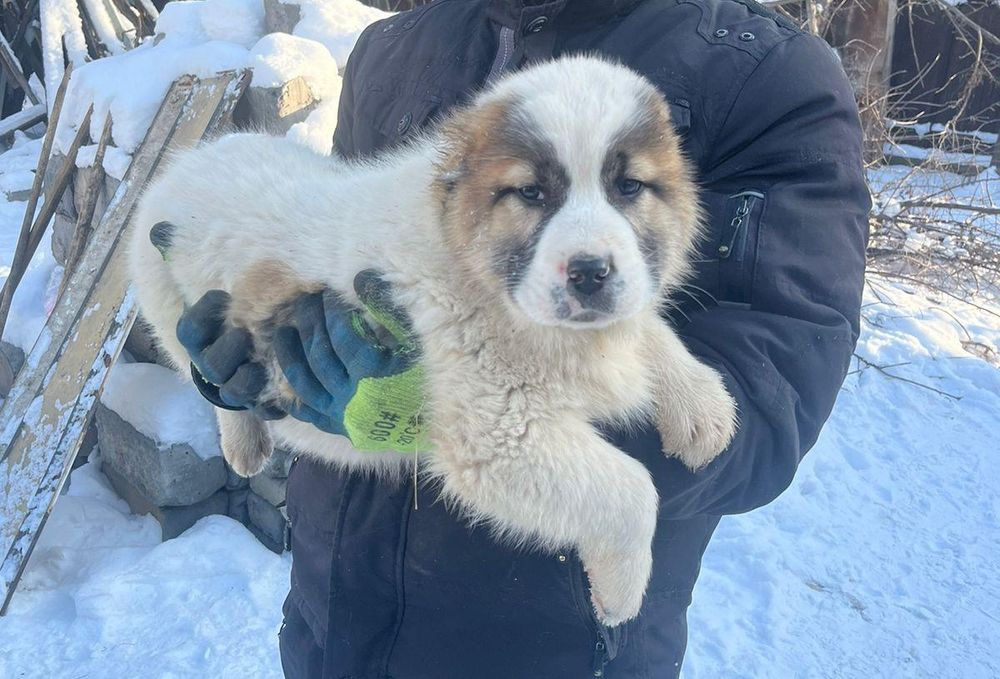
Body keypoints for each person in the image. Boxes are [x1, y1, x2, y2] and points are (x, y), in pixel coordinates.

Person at [175, 0, 870, 676]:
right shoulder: (391, 52)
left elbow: (770, 395)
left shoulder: (767, 76)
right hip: (335, 616)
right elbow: (331, 250)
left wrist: (473, 418)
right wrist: (250, 356)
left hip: (547, 645)